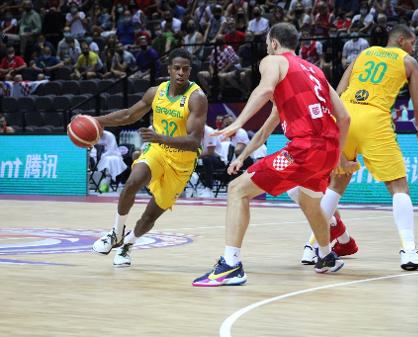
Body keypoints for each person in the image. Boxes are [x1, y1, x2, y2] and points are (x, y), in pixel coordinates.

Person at [193, 23, 351, 287]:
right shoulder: (314, 72)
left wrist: (237, 123)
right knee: (311, 203)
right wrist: (337, 158)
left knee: (237, 190)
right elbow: (344, 117)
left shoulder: (274, 61)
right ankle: (326, 256)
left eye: (268, 43)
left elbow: (264, 89)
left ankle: (230, 265)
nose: (267, 48)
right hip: (327, 150)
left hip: (304, 149)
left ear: (275, 43)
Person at [296, 25, 418, 271]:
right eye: (412, 42)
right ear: (400, 40)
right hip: (373, 119)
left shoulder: (363, 55)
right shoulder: (407, 61)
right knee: (398, 185)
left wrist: (330, 125)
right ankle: (409, 252)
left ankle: (313, 248)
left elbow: (339, 90)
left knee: (336, 184)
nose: (414, 47)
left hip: (344, 117)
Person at [92, 48, 207, 267]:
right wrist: (97, 120)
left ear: (190, 70)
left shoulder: (197, 98)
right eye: (177, 68)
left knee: (149, 216)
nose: (181, 73)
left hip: (182, 163)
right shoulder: (156, 92)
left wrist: (161, 137)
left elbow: (194, 141)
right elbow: (128, 114)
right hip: (158, 151)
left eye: (185, 69)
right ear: (169, 70)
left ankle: (128, 245)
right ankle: (116, 233)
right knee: (133, 182)